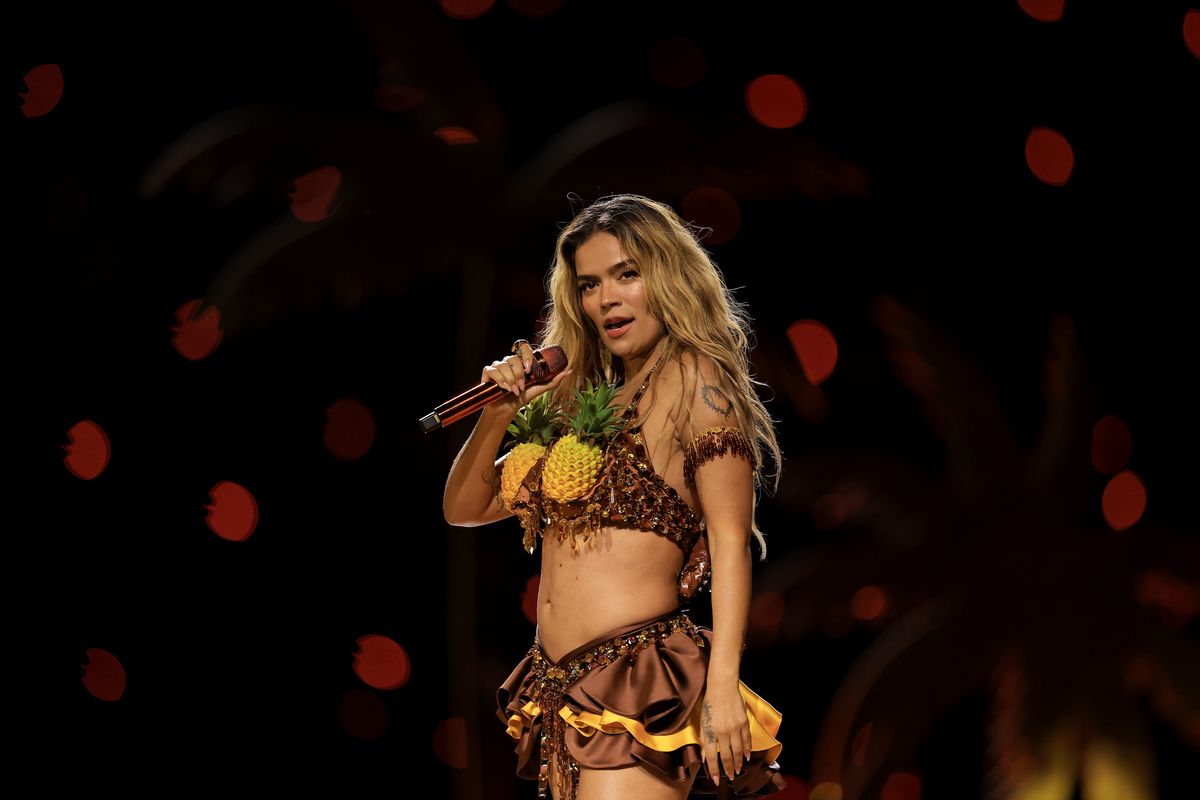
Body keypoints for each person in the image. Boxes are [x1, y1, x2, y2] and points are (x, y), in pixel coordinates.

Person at [443, 194, 785, 799]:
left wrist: (723, 687)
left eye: (627, 274)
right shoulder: (579, 400)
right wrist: (497, 415)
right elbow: (464, 509)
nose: (606, 299)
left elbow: (731, 538)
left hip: (640, 681)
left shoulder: (694, 380)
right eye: (589, 284)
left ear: (667, 277)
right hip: (558, 690)